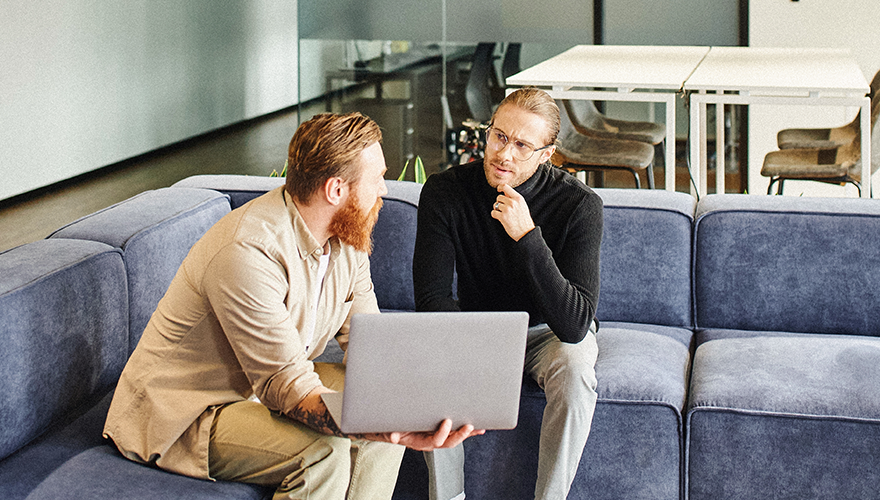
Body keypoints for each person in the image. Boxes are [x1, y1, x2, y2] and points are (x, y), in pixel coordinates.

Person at [104, 112, 482, 500]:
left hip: (260, 382)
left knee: (387, 404)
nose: (384, 191)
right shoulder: (248, 251)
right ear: (336, 189)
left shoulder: (347, 240)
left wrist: (426, 396)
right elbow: (286, 386)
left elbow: (372, 348)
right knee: (323, 452)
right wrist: (379, 425)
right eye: (376, 179)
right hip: (188, 410)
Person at [413, 87, 602, 500]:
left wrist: (527, 236)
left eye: (522, 145)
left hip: (548, 332)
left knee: (575, 368)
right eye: (499, 136)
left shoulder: (579, 205)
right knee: (434, 361)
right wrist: (475, 345)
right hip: (476, 329)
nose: (504, 154)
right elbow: (431, 299)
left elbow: (575, 323)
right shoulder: (445, 192)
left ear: (546, 154)